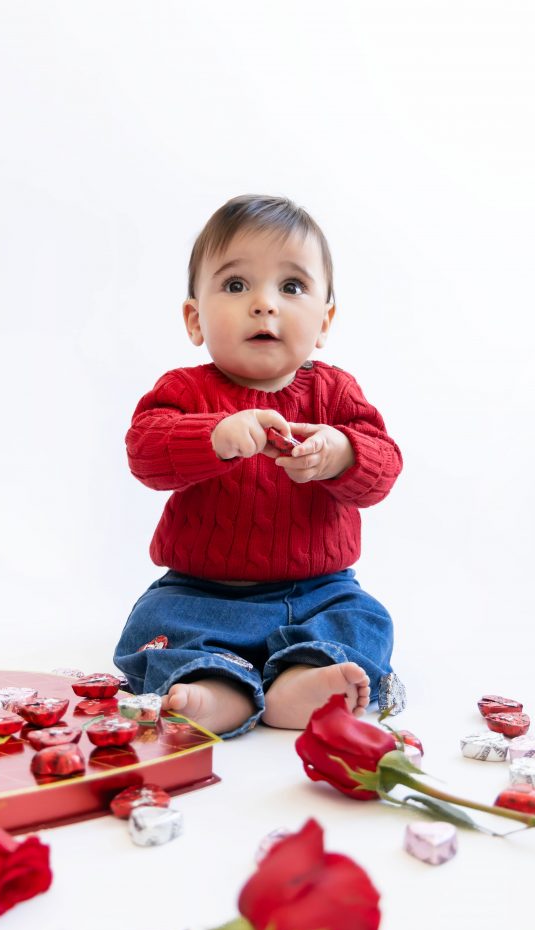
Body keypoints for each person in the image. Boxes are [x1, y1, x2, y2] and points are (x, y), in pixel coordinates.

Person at [114, 194, 404, 738]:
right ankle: (215, 688)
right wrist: (216, 436)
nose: (264, 304)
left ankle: (302, 680)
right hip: (199, 592)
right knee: (157, 625)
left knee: (363, 618)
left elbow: (384, 467)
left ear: (324, 321)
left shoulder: (334, 392)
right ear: (194, 320)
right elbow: (144, 453)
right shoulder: (185, 391)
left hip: (317, 591)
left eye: (291, 287)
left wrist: (341, 453)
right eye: (236, 285)